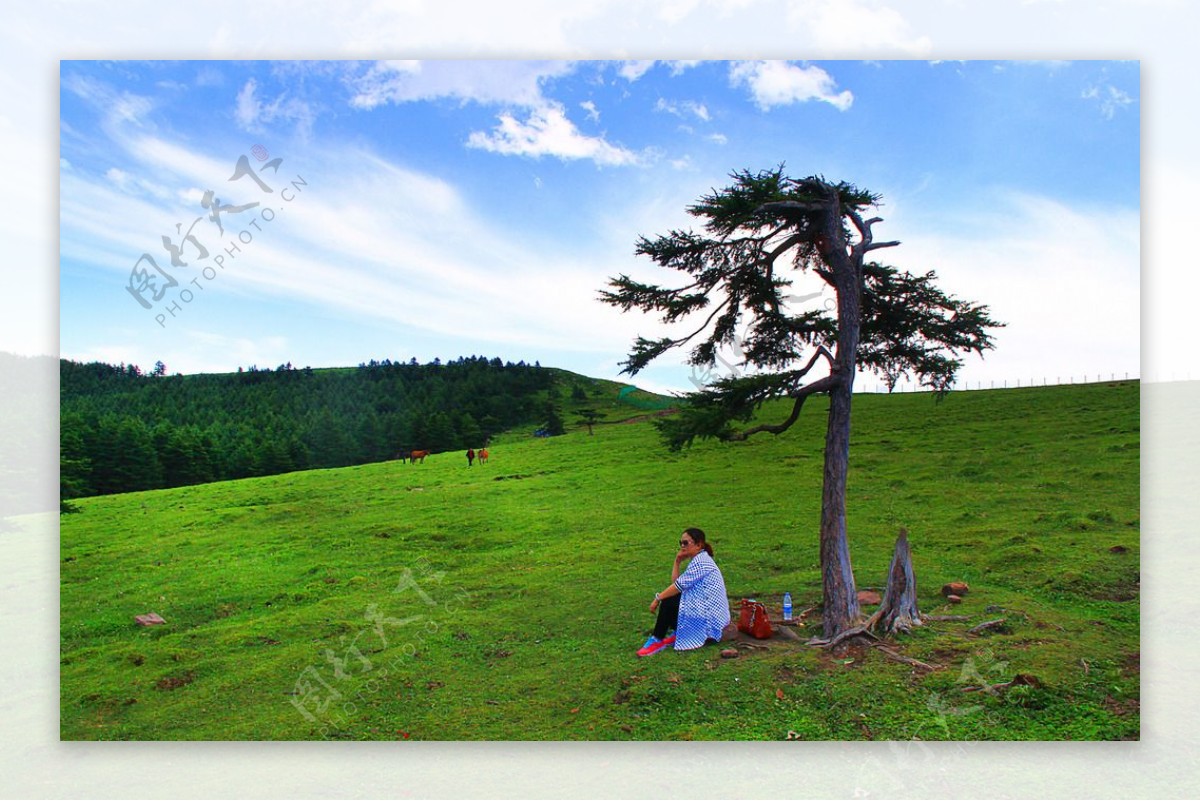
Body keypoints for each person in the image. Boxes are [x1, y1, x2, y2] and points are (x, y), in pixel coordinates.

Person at [639, 527, 731, 657]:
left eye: (686, 543)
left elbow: (677, 586)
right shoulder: (699, 559)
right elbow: (676, 583)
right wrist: (677, 562)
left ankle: (657, 639)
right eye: (680, 543)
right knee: (671, 598)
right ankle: (677, 632)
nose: (682, 546)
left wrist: (658, 599)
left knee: (668, 601)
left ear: (699, 545)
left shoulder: (701, 562)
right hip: (705, 607)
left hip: (711, 618)